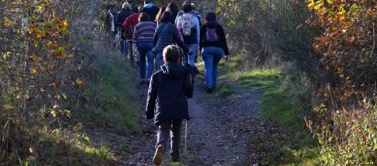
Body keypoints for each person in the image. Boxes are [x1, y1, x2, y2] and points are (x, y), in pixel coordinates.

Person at [146, 45, 193, 165]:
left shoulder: (157, 76)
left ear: (164, 58)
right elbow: (189, 91)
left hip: (163, 107)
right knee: (176, 130)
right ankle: (175, 157)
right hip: (179, 106)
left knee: (163, 129)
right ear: (178, 58)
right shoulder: (184, 73)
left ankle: (161, 145)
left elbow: (151, 96)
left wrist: (149, 112)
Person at [199, 12, 229, 94]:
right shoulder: (219, 27)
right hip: (218, 50)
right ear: (215, 18)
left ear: (206, 19)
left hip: (207, 49)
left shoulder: (204, 27)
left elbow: (200, 40)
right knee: (215, 66)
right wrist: (226, 53)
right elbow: (223, 40)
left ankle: (209, 86)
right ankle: (214, 85)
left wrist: (200, 50)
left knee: (208, 67)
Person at [133, 12, 156, 84]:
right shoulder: (153, 24)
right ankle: (149, 78)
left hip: (141, 43)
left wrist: (134, 47)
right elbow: (156, 35)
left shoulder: (137, 25)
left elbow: (135, 37)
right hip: (151, 43)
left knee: (142, 60)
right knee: (150, 61)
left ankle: (142, 78)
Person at [176, 3, 200, 69]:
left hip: (183, 42)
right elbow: (198, 32)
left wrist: (177, 43)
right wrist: (198, 45)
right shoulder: (195, 18)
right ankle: (191, 76)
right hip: (193, 41)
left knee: (184, 61)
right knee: (191, 61)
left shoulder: (180, 18)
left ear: (182, 9)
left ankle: (185, 77)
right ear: (191, 9)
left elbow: (177, 31)